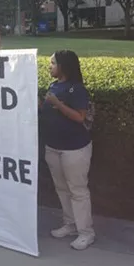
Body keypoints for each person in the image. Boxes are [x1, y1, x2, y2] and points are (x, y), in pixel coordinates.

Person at [40, 50, 94, 251]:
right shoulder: (54, 85)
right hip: (53, 146)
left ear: (63, 66)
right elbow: (49, 111)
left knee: (78, 190)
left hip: (74, 149)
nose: (50, 67)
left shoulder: (77, 89)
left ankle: (86, 232)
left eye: (53, 63)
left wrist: (57, 104)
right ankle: (70, 224)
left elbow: (80, 117)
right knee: (62, 189)